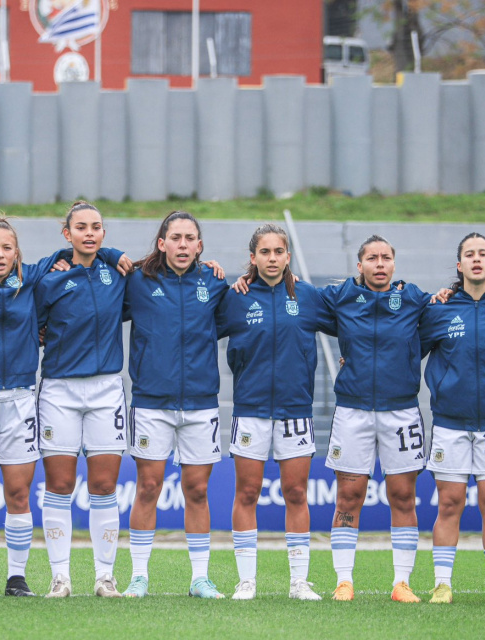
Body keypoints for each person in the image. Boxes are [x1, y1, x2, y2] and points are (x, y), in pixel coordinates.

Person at [0, 214, 128, 598]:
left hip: (24, 398)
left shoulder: (33, 277)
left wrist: (113, 252)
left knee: (25, 492)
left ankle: (33, 577)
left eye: (7, 247)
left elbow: (80, 250)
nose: (0, 254)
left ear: (18, 252)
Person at [216, 223, 336, 600]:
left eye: (278, 251)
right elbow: (199, 329)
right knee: (247, 491)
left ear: (288, 256)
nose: (272, 258)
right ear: (253, 258)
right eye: (264, 252)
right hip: (249, 409)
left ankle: (299, 581)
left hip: (295, 410)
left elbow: (351, 322)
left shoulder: (309, 297)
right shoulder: (235, 298)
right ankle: (246, 580)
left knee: (296, 492)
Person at [322, 235, 436, 603]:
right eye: (372, 258)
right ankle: (344, 581)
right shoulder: (340, 297)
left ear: (394, 263)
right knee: (349, 494)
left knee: (403, 495)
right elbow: (295, 295)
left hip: (400, 410)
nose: (380, 264)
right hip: (353, 409)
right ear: (360, 266)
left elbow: (454, 303)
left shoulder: (414, 298)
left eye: (386, 257)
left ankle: (401, 583)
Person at [123, 211, 229, 599]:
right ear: (161, 243)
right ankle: (139, 577)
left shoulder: (215, 284)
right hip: (152, 402)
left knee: (197, 490)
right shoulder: (137, 281)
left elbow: (248, 307)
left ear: (200, 246)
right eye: (176, 238)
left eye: (190, 238)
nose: (183, 245)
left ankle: (200, 578)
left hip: (201, 404)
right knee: (148, 486)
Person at [419, 233, 485, 605]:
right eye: (469, 254)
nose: (476, 259)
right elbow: (403, 349)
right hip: (450, 423)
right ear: (459, 265)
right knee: (450, 504)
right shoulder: (439, 310)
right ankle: (442, 585)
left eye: (483, 254)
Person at [35, 201, 128, 598]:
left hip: (107, 388)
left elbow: (160, 264)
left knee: (104, 485)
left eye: (96, 227)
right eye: (81, 227)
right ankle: (61, 577)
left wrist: (111, 255)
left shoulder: (119, 274)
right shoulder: (49, 276)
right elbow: (32, 319)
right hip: (59, 389)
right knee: (59, 484)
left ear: (103, 234)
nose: (89, 233)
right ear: (66, 233)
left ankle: (104, 577)